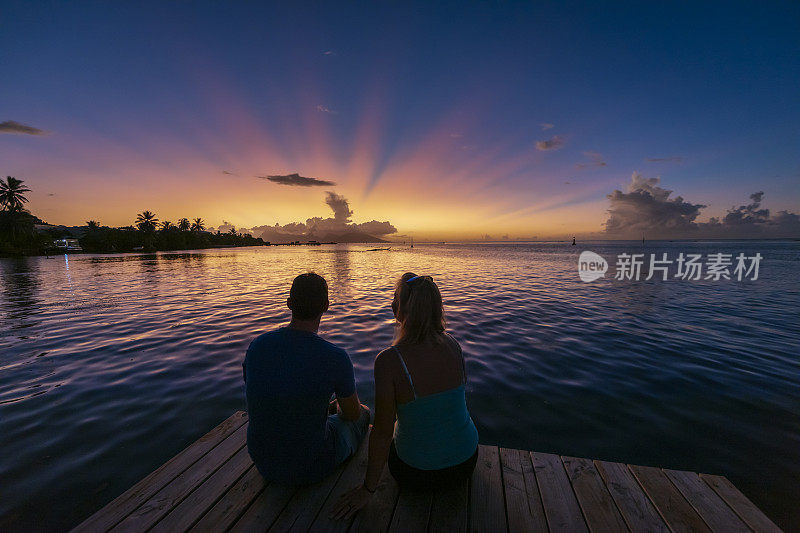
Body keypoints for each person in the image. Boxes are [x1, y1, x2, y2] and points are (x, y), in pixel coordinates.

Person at [332, 273, 479, 519]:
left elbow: (381, 432)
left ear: (400, 309)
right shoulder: (454, 345)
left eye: (395, 300)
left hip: (417, 473)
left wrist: (368, 489)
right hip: (466, 462)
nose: (391, 305)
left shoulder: (389, 361)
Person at [243, 272, 370, 485]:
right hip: (310, 465)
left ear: (289, 303)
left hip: (263, 461)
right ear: (326, 306)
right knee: (364, 412)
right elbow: (352, 413)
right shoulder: (335, 357)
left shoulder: (257, 346)